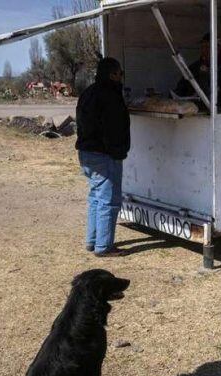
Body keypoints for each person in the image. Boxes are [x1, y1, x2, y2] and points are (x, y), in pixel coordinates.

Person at [75, 57, 130, 257]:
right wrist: (118, 151)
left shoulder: (88, 92)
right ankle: (104, 246)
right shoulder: (110, 96)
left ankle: (92, 241)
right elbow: (114, 128)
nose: (121, 77)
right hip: (104, 154)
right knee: (109, 200)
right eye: (120, 73)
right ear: (112, 74)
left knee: (96, 198)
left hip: (86, 152)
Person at [175, 33, 221, 106]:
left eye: (207, 47)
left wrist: (217, 90)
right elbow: (181, 88)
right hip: (196, 112)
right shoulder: (194, 67)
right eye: (202, 47)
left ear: (218, 49)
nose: (204, 50)